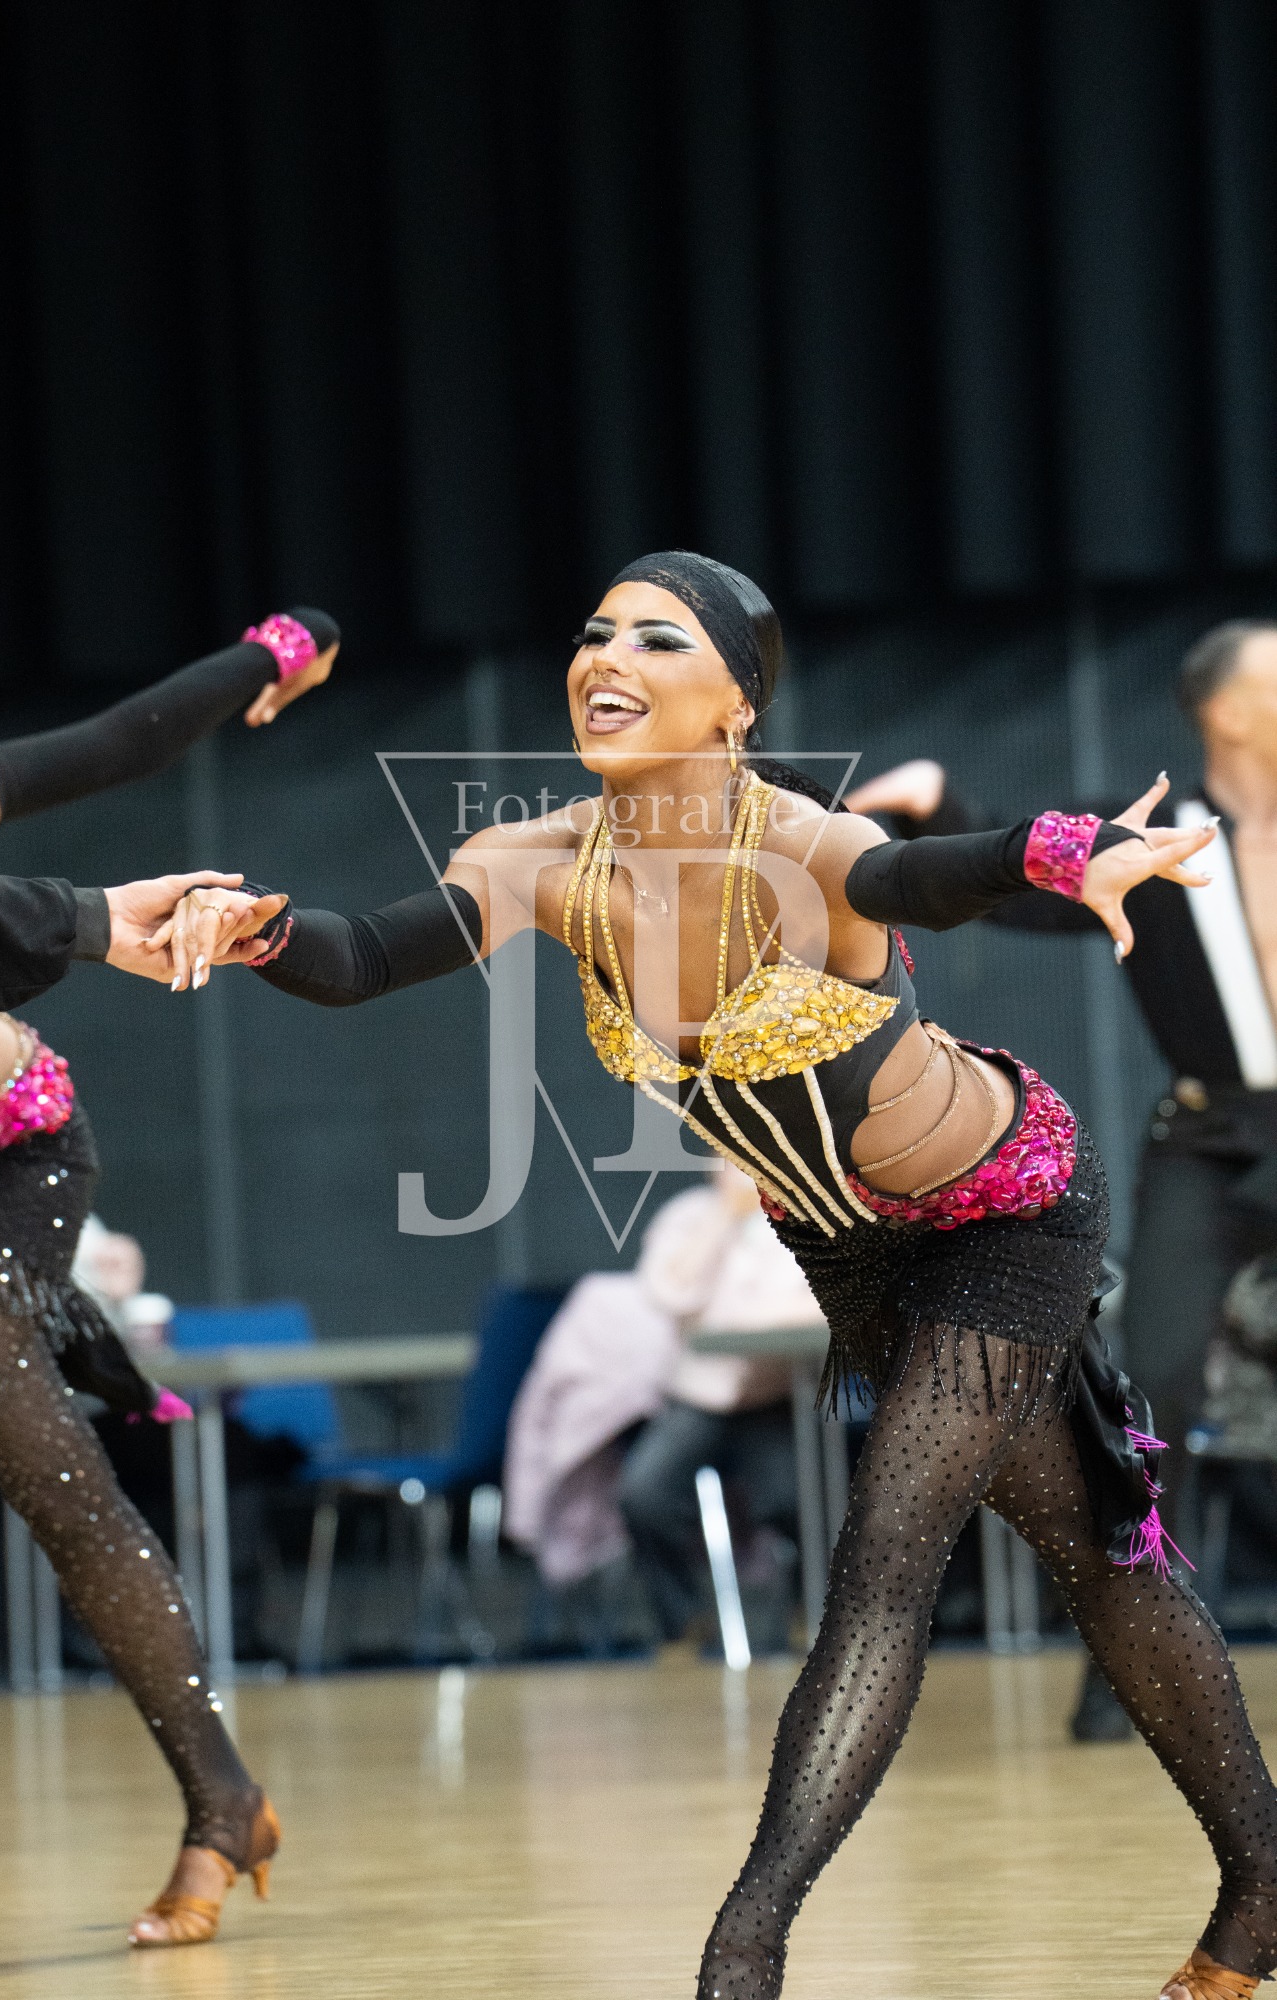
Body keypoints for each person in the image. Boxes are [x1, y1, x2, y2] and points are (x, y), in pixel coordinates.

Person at [167, 553, 1264, 2000]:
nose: (606, 656)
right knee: (1095, 1552)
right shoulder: (537, 862)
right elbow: (365, 955)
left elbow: (918, 873)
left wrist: (1058, 851)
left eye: (657, 638)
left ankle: (742, 1954)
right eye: (594, 632)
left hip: (1005, 1215)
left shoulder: (804, 844)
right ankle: (1264, 1883)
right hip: (848, 1250)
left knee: (882, 1558)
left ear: (738, 702)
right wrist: (260, 930)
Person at [0, 610, 333, 1998]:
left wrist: (276, 650)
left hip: (5, 1162)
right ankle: (227, 1799)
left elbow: (107, 745)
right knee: (70, 1497)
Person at [847, 622, 1277, 1742]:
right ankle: (1130, 1665)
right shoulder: (1157, 836)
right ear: (1227, 711)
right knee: (1154, 1390)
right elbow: (1017, 878)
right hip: (1213, 1136)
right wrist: (938, 804)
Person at [504, 1161, 815, 1648]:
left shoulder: (805, 1222)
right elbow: (670, 1292)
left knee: (796, 1499)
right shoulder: (688, 1216)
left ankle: (809, 1608)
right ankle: (681, 1622)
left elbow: (815, 1308)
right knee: (644, 1495)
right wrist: (724, 1218)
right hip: (694, 1397)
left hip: (771, 1399)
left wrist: (737, 1321)